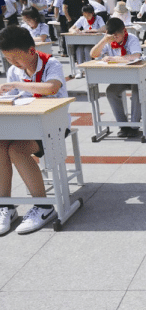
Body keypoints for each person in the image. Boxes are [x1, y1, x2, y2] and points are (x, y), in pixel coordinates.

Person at [0, 26, 70, 234]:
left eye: (16, 59)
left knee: (17, 150)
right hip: (24, 125)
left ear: (31, 51)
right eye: (8, 59)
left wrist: (17, 86)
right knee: (1, 144)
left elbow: (51, 88)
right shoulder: (15, 71)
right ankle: (5, 205)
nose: (13, 64)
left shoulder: (51, 64)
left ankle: (43, 206)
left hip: (53, 125)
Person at [89, 18, 144, 137]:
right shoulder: (108, 41)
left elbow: (136, 56)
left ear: (124, 31)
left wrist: (114, 59)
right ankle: (123, 125)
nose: (114, 39)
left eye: (116, 36)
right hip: (120, 78)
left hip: (135, 76)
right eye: (111, 36)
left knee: (137, 92)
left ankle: (134, 125)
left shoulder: (131, 38)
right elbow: (93, 54)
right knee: (111, 91)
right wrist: (103, 40)